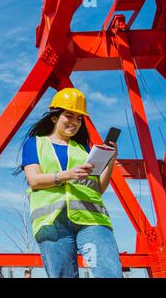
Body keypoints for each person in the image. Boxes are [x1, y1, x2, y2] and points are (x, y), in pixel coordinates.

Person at [14, 88, 123, 278]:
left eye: (79, 118)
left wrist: (110, 161)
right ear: (54, 117)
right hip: (52, 222)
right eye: (69, 115)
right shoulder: (35, 143)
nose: (75, 122)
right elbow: (34, 180)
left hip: (92, 220)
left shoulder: (84, 150)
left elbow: (97, 189)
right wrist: (68, 175)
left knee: (110, 273)